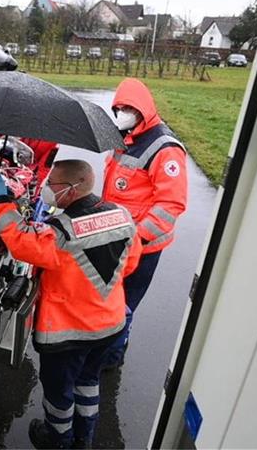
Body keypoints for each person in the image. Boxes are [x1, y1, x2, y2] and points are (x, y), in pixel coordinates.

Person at [0, 160, 142, 449]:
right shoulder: (123, 216)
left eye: (52, 184)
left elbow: (20, 242)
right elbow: (130, 264)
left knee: (59, 394)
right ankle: (84, 438)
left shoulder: (60, 232)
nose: (47, 188)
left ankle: (56, 439)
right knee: (88, 381)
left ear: (71, 190)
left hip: (68, 334)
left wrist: (0, 202)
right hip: (110, 326)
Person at [101, 78, 188, 368]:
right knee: (108, 302)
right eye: (118, 108)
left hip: (143, 247)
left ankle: (111, 360)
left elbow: (170, 205)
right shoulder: (126, 136)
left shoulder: (165, 149)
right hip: (118, 239)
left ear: (143, 109)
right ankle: (107, 348)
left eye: (128, 108)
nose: (122, 113)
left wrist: (137, 238)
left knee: (123, 306)